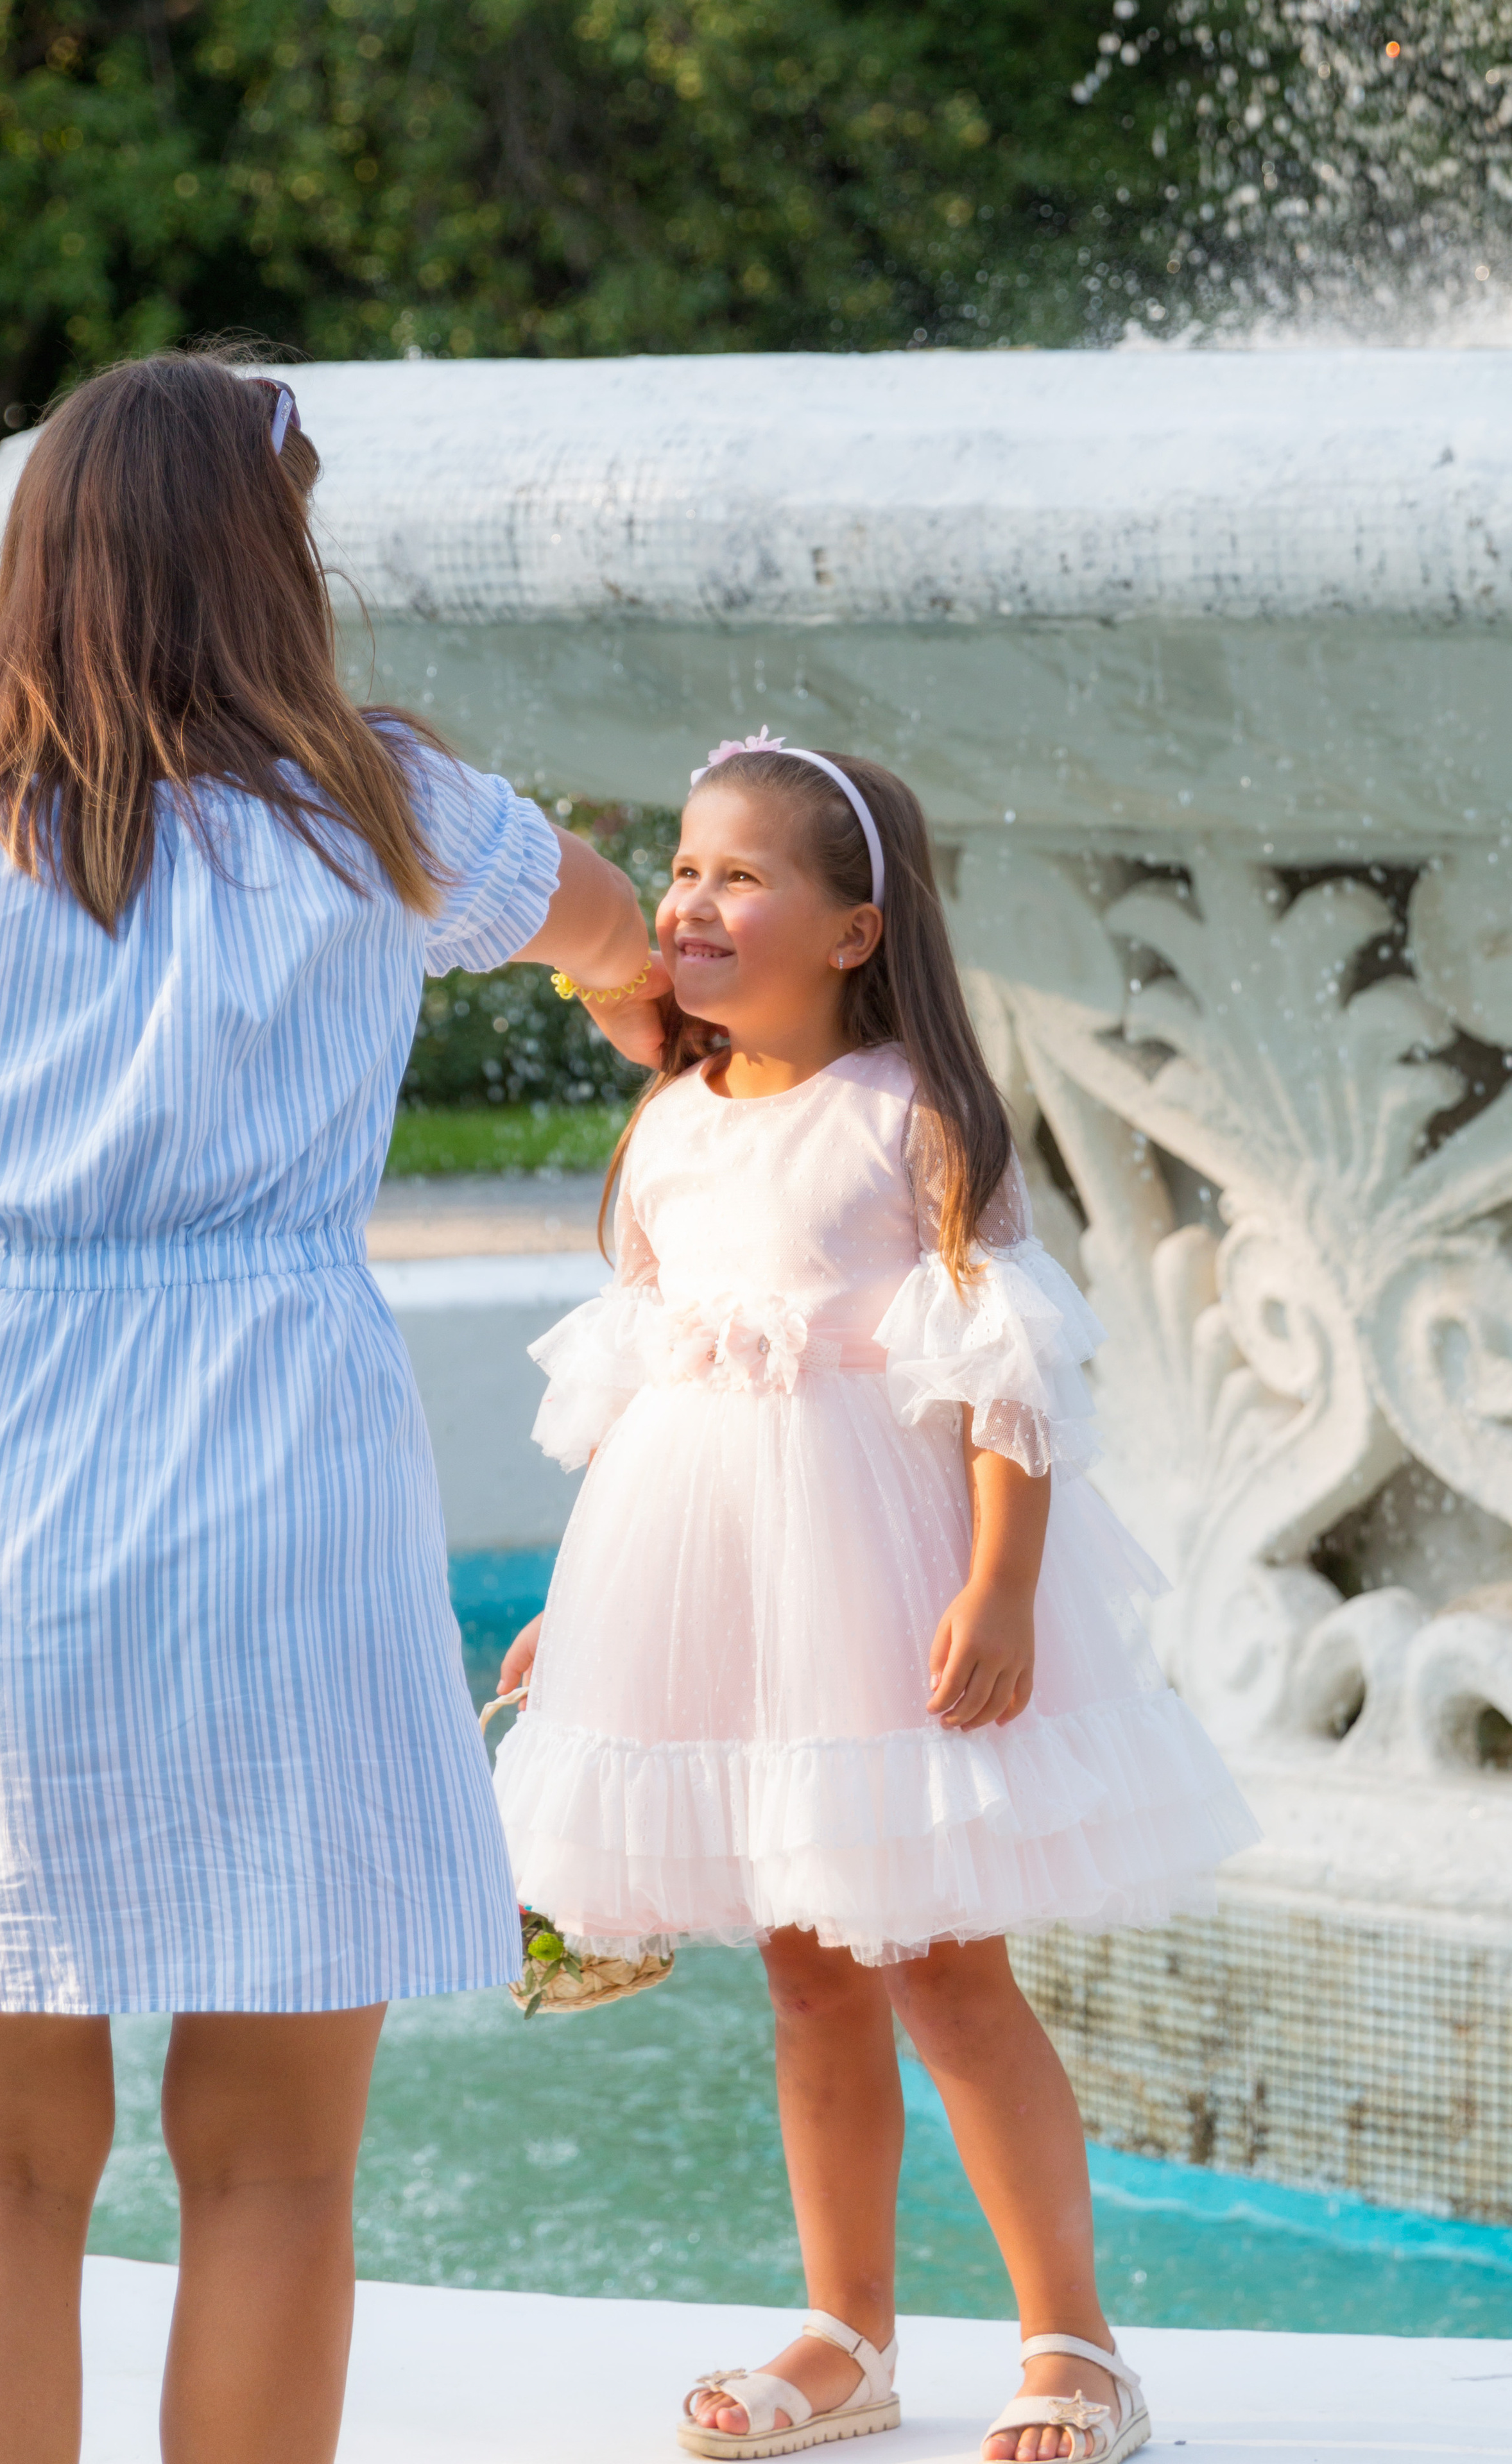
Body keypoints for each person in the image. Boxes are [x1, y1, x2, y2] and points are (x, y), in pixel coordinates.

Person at [0, 352, 665, 2464]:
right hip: (277, 1469)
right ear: (268, 561)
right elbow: (611, 939)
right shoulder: (387, 808)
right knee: (277, 2167)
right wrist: (637, 1021)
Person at [493, 733, 1259, 2463]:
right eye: (682, 868)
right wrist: (578, 1608)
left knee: (945, 1974)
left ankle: (1075, 2342)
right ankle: (851, 2329)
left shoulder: (909, 1118)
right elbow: (640, 1398)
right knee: (808, 1981)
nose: (691, 899)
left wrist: (1000, 1585)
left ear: (852, 930)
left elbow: (1009, 1370)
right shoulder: (671, 1126)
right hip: (709, 1606)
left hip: (879, 1590)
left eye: (740, 875)